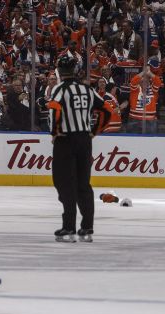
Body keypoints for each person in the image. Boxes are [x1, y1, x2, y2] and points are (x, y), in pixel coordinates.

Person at [47, 55, 109, 243]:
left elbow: (55, 108)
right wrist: (93, 132)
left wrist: (55, 132)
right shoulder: (87, 89)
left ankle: (69, 227)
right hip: (84, 140)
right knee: (83, 183)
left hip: (65, 140)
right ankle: (87, 227)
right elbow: (107, 110)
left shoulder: (60, 89)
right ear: (75, 70)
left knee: (64, 183)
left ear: (59, 71)